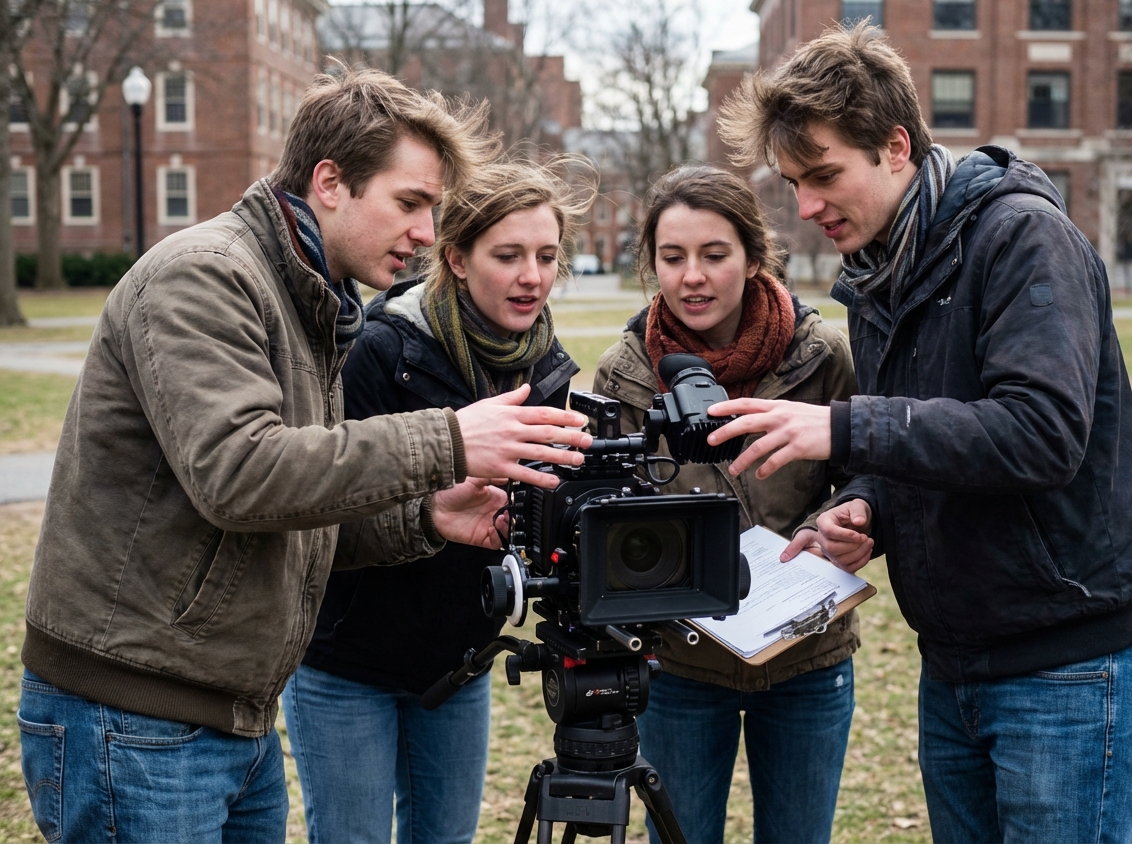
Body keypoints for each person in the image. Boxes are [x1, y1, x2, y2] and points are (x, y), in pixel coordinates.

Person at [17, 68, 593, 844]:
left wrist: (425, 517)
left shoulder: (307, 297)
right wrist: (451, 439)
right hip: (134, 714)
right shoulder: (207, 275)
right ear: (330, 182)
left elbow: (294, 512)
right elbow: (240, 474)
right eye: (411, 202)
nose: (427, 232)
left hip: (227, 710)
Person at [707, 23, 1132, 843]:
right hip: (953, 667)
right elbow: (923, 439)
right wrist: (868, 513)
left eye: (822, 176)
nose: (806, 207)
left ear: (894, 145)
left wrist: (843, 428)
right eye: (792, 183)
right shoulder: (882, 273)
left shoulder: (1023, 238)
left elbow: (1041, 433)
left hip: (1067, 671)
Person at [282, 158, 593, 844]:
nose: (531, 276)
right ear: (455, 257)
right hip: (347, 662)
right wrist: (431, 509)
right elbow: (317, 512)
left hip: (461, 661)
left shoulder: (546, 365)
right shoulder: (376, 349)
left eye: (546, 256)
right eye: (507, 256)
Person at [592, 165, 858, 844]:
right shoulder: (622, 372)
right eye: (672, 257)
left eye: (714, 255)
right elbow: (604, 513)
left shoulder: (823, 355)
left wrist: (845, 524)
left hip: (807, 651)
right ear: (650, 261)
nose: (693, 278)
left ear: (753, 254)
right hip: (678, 662)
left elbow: (867, 479)